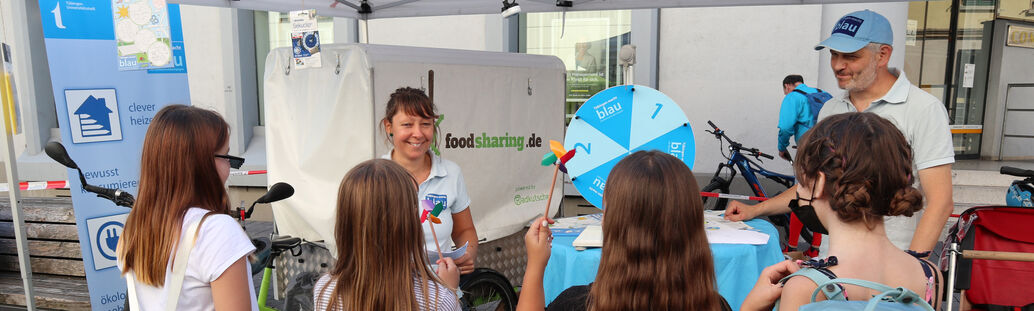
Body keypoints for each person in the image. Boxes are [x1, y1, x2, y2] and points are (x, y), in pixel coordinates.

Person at [727, 9, 954, 254]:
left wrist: (914, 265)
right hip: (834, 261)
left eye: (850, 56)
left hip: (891, 268)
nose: (838, 65)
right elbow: (813, 184)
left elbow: (940, 202)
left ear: (883, 55)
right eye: (834, 54)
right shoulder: (831, 108)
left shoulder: (924, 109)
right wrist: (756, 210)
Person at [741, 112, 941, 310]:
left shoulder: (806, 288)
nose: (798, 191)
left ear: (818, 183)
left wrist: (749, 308)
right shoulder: (929, 276)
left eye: (800, 182)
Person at [517, 150, 733, 311]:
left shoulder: (576, 304)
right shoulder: (716, 306)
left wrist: (535, 267)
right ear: (694, 227)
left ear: (610, 225)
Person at [117, 105, 256, 310]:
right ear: (201, 164)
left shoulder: (134, 229)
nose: (229, 166)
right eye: (225, 156)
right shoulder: (215, 231)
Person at [313, 159, 461, 310]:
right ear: (409, 224)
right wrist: (450, 291)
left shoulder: (325, 290)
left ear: (345, 224)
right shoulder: (439, 299)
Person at [381, 87, 479, 274]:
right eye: (407, 125)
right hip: (391, 294)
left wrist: (468, 254)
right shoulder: (375, 178)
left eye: (425, 124)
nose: (418, 134)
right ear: (389, 126)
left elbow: (464, 230)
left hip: (442, 291)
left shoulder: (451, 173)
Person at [776, 74, 822, 161]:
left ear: (787, 86)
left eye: (785, 92)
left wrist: (782, 148)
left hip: (808, 146)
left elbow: (785, 127)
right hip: (830, 145)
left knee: (807, 173)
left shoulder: (792, 96)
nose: (786, 94)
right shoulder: (822, 93)